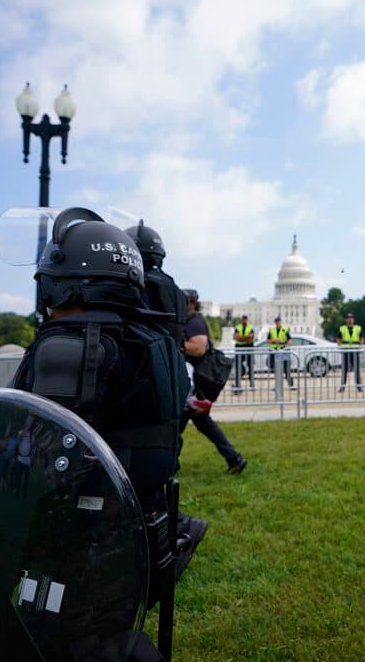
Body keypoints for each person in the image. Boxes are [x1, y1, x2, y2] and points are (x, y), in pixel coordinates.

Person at [9, 207, 190, 659]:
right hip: (140, 524)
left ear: (67, 281)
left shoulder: (71, 346)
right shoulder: (151, 340)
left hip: (78, 537)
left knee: (59, 642)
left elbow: (47, 453)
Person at [126, 220, 208, 577]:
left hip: (143, 372)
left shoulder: (138, 285)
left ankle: (166, 541)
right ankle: (168, 531)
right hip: (171, 372)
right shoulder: (174, 288)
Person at [183, 289, 248, 473]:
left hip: (195, 383)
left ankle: (168, 467)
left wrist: (176, 345)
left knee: (175, 425)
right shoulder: (191, 321)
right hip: (194, 383)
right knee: (202, 423)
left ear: (192, 303)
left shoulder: (195, 322)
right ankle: (234, 458)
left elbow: (199, 348)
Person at [337, 312, 364, 392]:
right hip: (346, 350)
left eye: (351, 318)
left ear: (353, 320)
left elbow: (361, 338)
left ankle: (359, 386)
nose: (350, 320)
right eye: (348, 318)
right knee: (344, 370)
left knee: (357, 369)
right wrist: (340, 347)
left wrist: (360, 346)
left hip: (355, 350)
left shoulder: (358, 328)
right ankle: (342, 387)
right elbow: (338, 338)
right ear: (346, 320)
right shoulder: (342, 328)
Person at [267, 315, 295, 389]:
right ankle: (277, 386)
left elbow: (290, 340)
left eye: (279, 321)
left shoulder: (285, 330)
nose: (278, 323)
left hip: (283, 352)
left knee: (286, 370)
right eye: (276, 322)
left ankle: (291, 385)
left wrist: (285, 346)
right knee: (277, 371)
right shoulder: (272, 331)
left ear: (281, 322)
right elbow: (268, 340)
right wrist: (274, 340)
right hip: (275, 352)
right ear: (275, 322)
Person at [233, 313, 256, 392]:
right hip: (240, 348)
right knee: (238, 366)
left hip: (249, 348)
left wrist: (241, 338)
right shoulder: (238, 327)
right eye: (243, 319)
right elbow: (236, 337)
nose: (244, 320)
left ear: (247, 320)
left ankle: (252, 384)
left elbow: (252, 337)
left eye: (245, 319)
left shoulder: (250, 327)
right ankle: (237, 384)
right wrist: (246, 338)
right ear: (241, 319)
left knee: (251, 367)